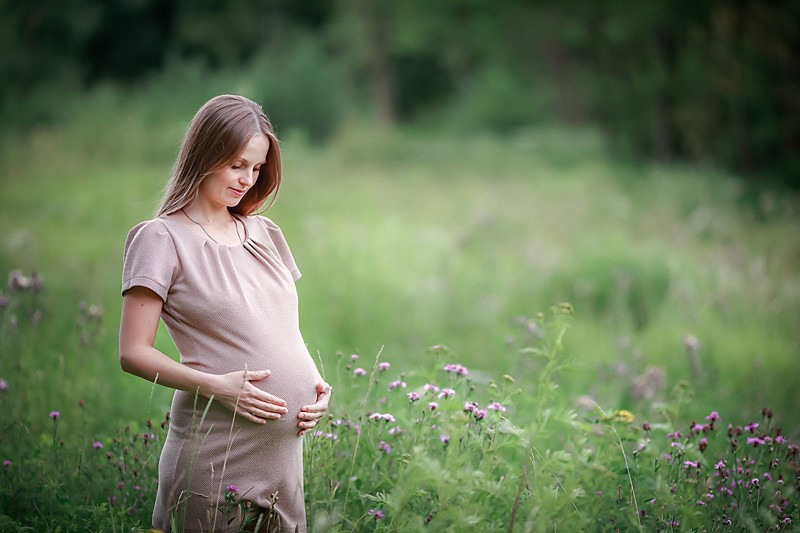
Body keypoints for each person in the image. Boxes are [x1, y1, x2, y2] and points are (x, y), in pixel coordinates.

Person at [119, 94, 331, 532]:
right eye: (237, 165)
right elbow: (133, 353)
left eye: (256, 169)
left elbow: (282, 329)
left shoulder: (264, 232)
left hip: (282, 462)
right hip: (215, 452)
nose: (247, 180)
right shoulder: (161, 239)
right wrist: (217, 386)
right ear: (204, 154)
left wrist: (314, 388)